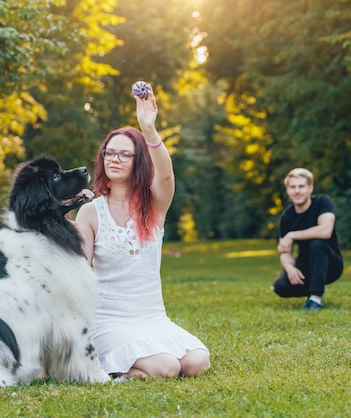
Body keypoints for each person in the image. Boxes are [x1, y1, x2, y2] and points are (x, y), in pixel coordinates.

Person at [75, 84, 210, 379]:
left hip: (151, 318)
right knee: (167, 368)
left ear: (139, 161)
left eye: (125, 154)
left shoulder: (155, 205)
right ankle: (112, 370)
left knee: (197, 362)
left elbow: (166, 174)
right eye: (110, 153)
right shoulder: (90, 211)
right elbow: (80, 273)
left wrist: (148, 129)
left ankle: (132, 368)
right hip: (108, 321)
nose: (115, 159)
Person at [273, 168, 344, 311]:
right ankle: (314, 287)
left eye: (301, 186)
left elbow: (325, 231)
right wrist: (289, 267)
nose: (297, 191)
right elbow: (284, 251)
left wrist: (292, 235)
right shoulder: (287, 217)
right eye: (292, 187)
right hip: (306, 264)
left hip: (331, 263)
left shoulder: (322, 202)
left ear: (310, 188)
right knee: (281, 287)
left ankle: (315, 298)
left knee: (316, 243)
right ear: (287, 190)